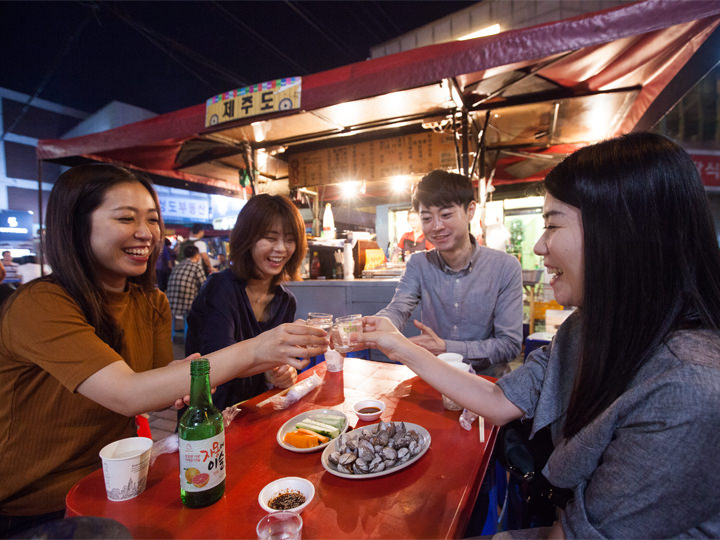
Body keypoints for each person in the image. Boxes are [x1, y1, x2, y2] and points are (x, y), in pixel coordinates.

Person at [362, 133, 720, 538]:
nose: (538, 245)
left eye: (551, 224)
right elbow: (498, 400)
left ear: (621, 229)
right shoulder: (586, 326)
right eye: (426, 217)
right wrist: (394, 341)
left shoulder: (688, 385)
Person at [0, 164, 327, 537]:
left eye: (153, 220)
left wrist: (192, 373)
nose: (146, 233)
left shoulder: (150, 300)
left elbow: (157, 390)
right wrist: (257, 350)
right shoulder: (42, 304)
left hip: (118, 481)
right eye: (126, 218)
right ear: (76, 225)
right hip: (30, 507)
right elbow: (128, 392)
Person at [376, 169, 523, 377]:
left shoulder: (505, 267)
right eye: (427, 218)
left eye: (446, 215)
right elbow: (399, 308)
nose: (436, 227)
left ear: (470, 210)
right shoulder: (418, 264)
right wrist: (380, 323)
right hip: (436, 378)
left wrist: (445, 347)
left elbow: (509, 345)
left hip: (488, 383)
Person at [185, 194, 305, 409]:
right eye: (270, 237)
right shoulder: (221, 288)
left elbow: (273, 368)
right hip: (211, 418)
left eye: (290, 239)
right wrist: (267, 367)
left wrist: (282, 373)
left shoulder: (286, 301)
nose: (281, 248)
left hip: (256, 414)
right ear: (247, 239)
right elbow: (217, 366)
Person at [166, 244, 206, 323]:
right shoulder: (196, 267)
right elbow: (205, 286)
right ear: (196, 255)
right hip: (187, 307)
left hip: (172, 305)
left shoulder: (177, 266)